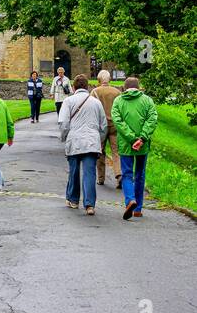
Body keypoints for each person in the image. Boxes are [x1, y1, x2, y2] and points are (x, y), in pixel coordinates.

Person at [58, 74, 107, 215]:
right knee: (89, 173)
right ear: (87, 87)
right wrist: (100, 140)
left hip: (74, 140)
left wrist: (64, 137)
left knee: (74, 171)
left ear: (73, 87)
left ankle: (73, 200)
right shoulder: (96, 103)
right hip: (92, 141)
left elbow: (64, 123)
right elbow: (103, 125)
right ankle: (89, 204)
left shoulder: (68, 101)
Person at [111, 77, 159, 220]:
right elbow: (152, 119)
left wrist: (132, 138)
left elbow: (118, 122)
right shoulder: (147, 101)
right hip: (142, 145)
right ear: (139, 88)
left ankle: (130, 200)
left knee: (126, 174)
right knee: (140, 174)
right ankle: (137, 209)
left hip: (126, 144)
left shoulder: (118, 101)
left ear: (124, 88)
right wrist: (142, 138)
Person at [90, 70, 122, 188]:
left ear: (99, 79)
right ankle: (119, 175)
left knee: (100, 151)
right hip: (114, 125)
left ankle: (101, 178)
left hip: (101, 126)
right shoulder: (117, 92)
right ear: (109, 79)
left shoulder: (95, 92)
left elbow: (91, 108)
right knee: (116, 151)